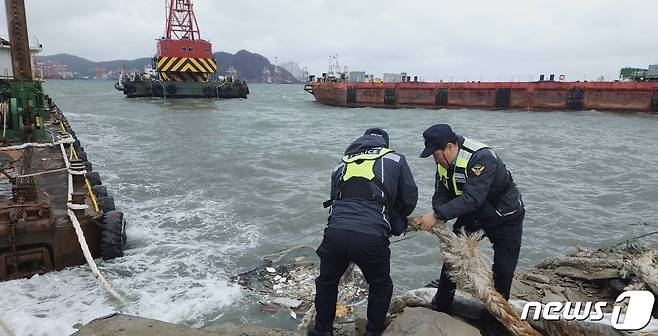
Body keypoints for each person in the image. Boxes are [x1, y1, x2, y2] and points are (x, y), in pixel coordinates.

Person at [417, 124, 524, 336]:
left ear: (449, 147)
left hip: (504, 217)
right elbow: (441, 193)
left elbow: (473, 198)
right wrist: (439, 216)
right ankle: (442, 305)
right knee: (454, 258)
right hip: (473, 214)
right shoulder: (443, 162)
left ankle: (493, 321)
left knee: (503, 270)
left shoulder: (481, 158)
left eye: (436, 154)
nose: (434, 159)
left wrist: (437, 215)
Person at [309, 128, 418, 336]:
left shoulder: (341, 164)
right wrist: (396, 219)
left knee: (327, 283)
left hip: (335, 235)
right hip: (371, 237)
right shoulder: (395, 159)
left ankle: (322, 331)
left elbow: (334, 201)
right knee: (380, 285)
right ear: (384, 144)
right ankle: (373, 332)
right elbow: (409, 197)